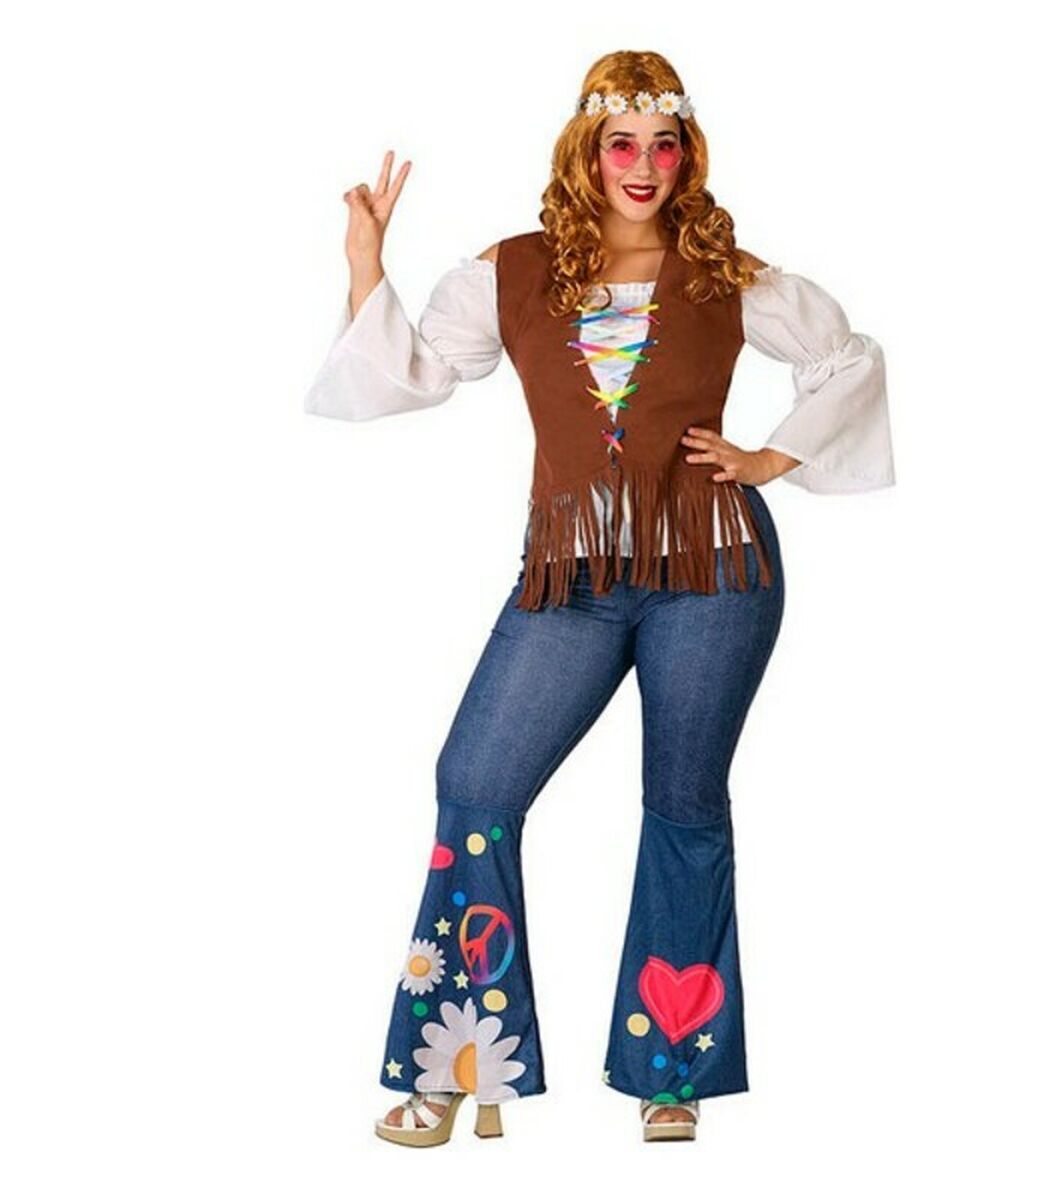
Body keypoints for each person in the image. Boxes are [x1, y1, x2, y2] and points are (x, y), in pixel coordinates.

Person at [304, 49, 895, 1146]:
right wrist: (365, 260)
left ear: (686, 156)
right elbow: (410, 376)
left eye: (664, 144)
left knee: (682, 802)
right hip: (570, 579)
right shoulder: (512, 270)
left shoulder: (727, 271)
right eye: (623, 143)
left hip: (714, 573)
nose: (644, 164)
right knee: (474, 785)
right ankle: (460, 1059)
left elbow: (849, 359)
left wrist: (771, 458)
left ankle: (672, 1067)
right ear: (588, 152)